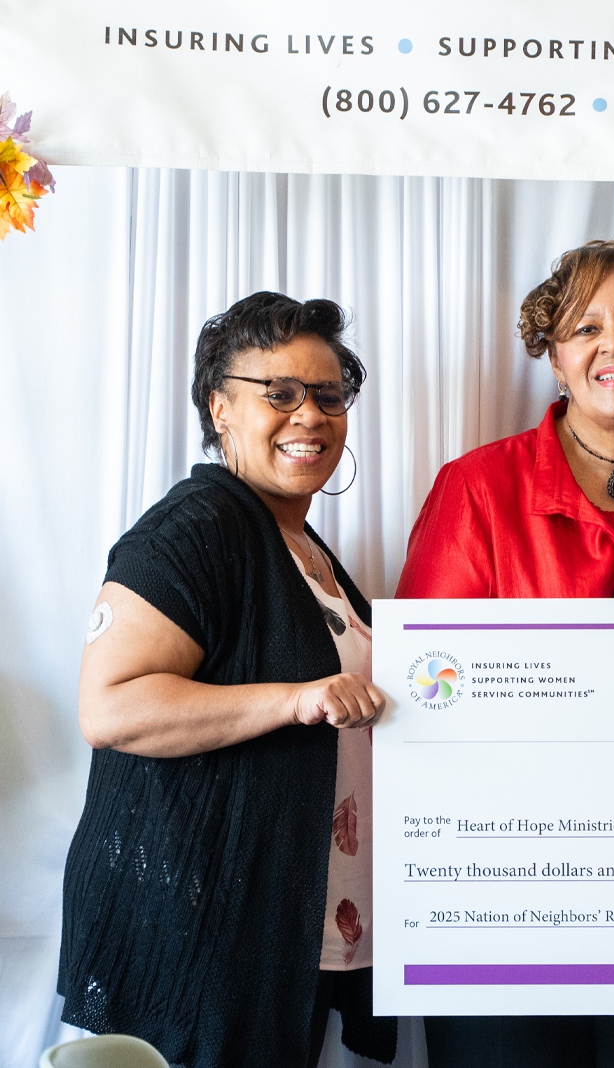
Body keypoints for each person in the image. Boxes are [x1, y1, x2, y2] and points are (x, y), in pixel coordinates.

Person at [395, 238, 614, 1067]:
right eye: (585, 327)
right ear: (554, 357)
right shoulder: (479, 490)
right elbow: (426, 694)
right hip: (513, 898)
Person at [60, 292, 394, 1068]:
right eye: (278, 392)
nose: (309, 414)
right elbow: (110, 706)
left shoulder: (304, 547)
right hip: (205, 932)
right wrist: (296, 699)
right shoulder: (199, 524)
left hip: (280, 926)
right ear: (220, 406)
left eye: (328, 394)